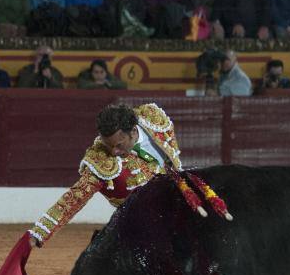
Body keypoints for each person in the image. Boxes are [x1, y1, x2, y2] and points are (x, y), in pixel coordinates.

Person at [28, 102, 182, 247]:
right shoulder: (101, 159)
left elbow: (173, 162)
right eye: (109, 146)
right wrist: (40, 232)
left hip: (178, 203)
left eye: (119, 145)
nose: (114, 152)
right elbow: (75, 197)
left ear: (133, 132)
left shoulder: (154, 120)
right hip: (143, 226)